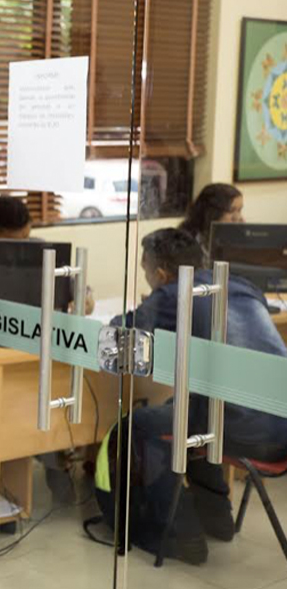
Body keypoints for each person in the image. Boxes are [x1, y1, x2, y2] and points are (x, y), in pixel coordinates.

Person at [114, 228, 287, 564]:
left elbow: (123, 333)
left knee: (139, 424)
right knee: (188, 411)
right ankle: (216, 518)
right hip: (281, 429)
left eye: (146, 270)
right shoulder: (242, 287)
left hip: (240, 430)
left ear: (161, 274)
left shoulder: (169, 295)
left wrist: (145, 307)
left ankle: (178, 533)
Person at [179, 183, 244, 262]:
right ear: (213, 213)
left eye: (239, 210)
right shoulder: (185, 243)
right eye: (231, 211)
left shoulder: (236, 240)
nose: (238, 218)